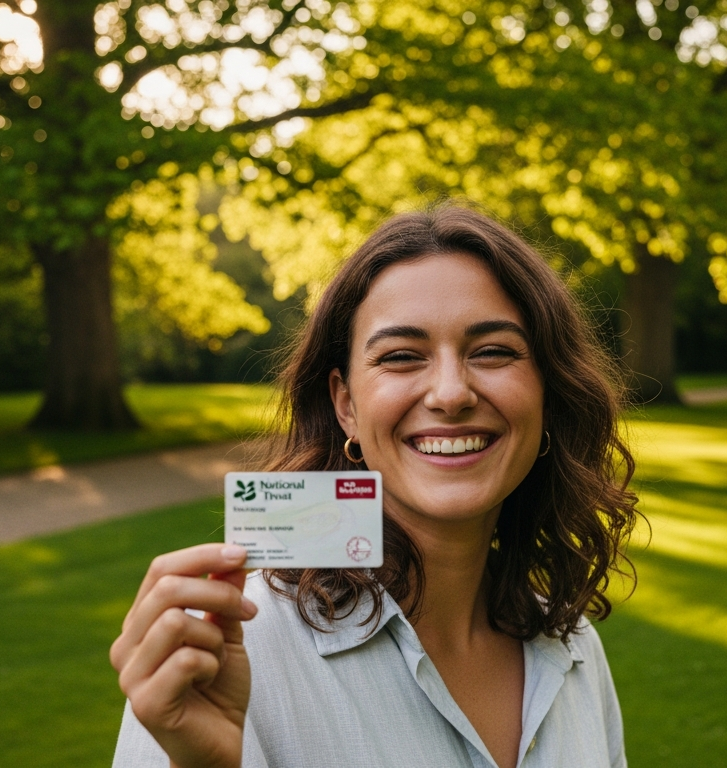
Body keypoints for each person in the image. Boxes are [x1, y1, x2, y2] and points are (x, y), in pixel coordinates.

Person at [109, 204, 641, 768]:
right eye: (401, 357)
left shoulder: (572, 644)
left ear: (547, 393)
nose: (450, 393)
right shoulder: (232, 646)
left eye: (493, 351)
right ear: (346, 407)